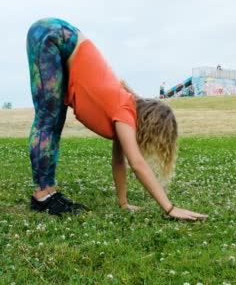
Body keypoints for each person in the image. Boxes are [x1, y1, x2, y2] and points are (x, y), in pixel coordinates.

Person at [26, 18, 207, 221]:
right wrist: (170, 208)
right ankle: (44, 195)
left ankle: (47, 192)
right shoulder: (124, 112)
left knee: (54, 118)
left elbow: (119, 161)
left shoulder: (124, 111)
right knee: (49, 118)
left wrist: (123, 203)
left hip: (61, 38)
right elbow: (136, 163)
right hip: (54, 35)